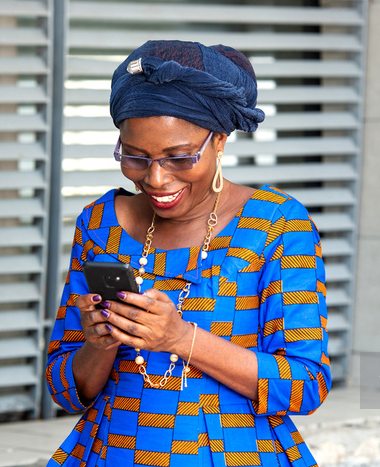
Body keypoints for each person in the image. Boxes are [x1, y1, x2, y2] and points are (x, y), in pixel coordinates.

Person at [46, 40, 331, 467]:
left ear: (219, 140)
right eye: (135, 157)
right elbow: (65, 390)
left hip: (232, 454)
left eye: (179, 157)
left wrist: (179, 338)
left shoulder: (276, 225)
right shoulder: (100, 223)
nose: (157, 179)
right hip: (111, 453)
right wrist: (99, 344)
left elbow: (305, 386)